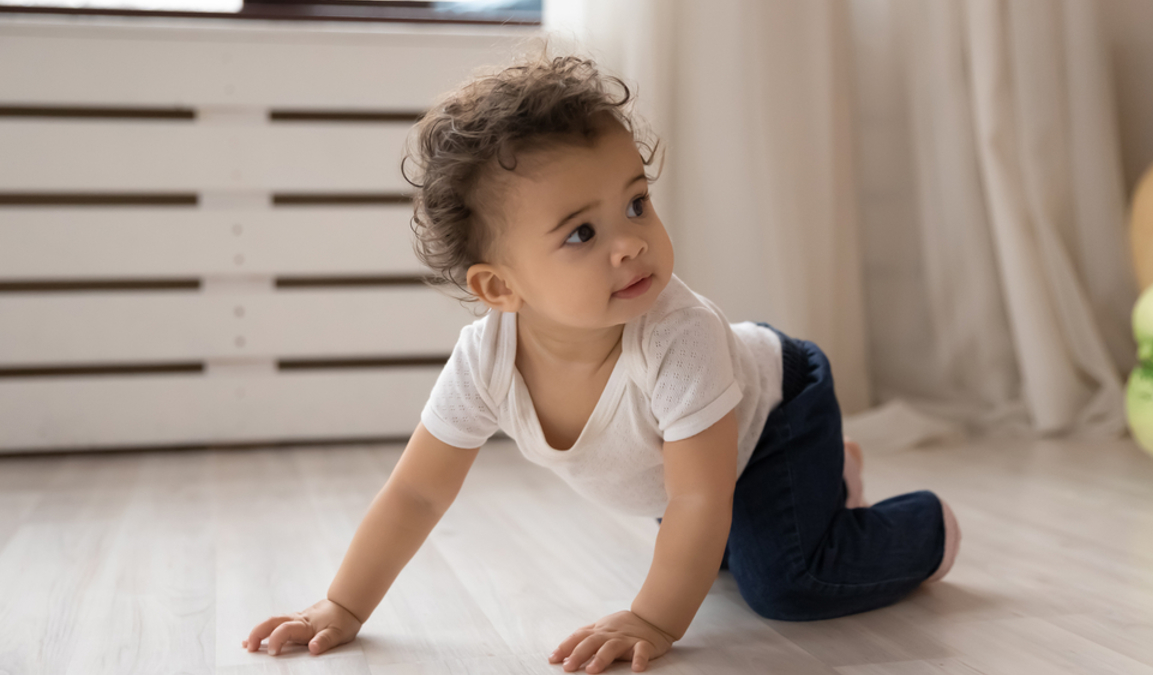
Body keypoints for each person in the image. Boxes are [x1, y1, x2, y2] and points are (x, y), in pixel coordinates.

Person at [242, 53, 961, 673]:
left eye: (638, 204)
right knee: (718, 564)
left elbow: (696, 501)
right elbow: (417, 495)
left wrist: (652, 620)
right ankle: (832, 484)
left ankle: (925, 526)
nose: (630, 243)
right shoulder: (486, 360)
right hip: (700, 460)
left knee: (782, 583)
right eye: (582, 232)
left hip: (778, 413)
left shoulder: (679, 337)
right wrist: (343, 603)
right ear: (501, 288)